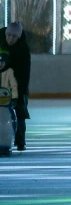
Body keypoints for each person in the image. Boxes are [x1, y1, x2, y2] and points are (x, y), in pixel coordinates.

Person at [0, 22, 30, 152]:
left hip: (16, 80)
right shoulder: (0, 39)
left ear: (18, 37)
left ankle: (20, 140)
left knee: (20, 110)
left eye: (14, 37)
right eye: (9, 35)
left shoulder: (23, 49)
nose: (10, 39)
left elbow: (24, 74)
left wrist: (19, 94)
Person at [0, 51, 18, 156]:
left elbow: (13, 85)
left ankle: (6, 144)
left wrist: (14, 97)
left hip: (6, 103)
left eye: (2, 62)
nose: (0, 64)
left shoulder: (9, 71)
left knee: (8, 122)